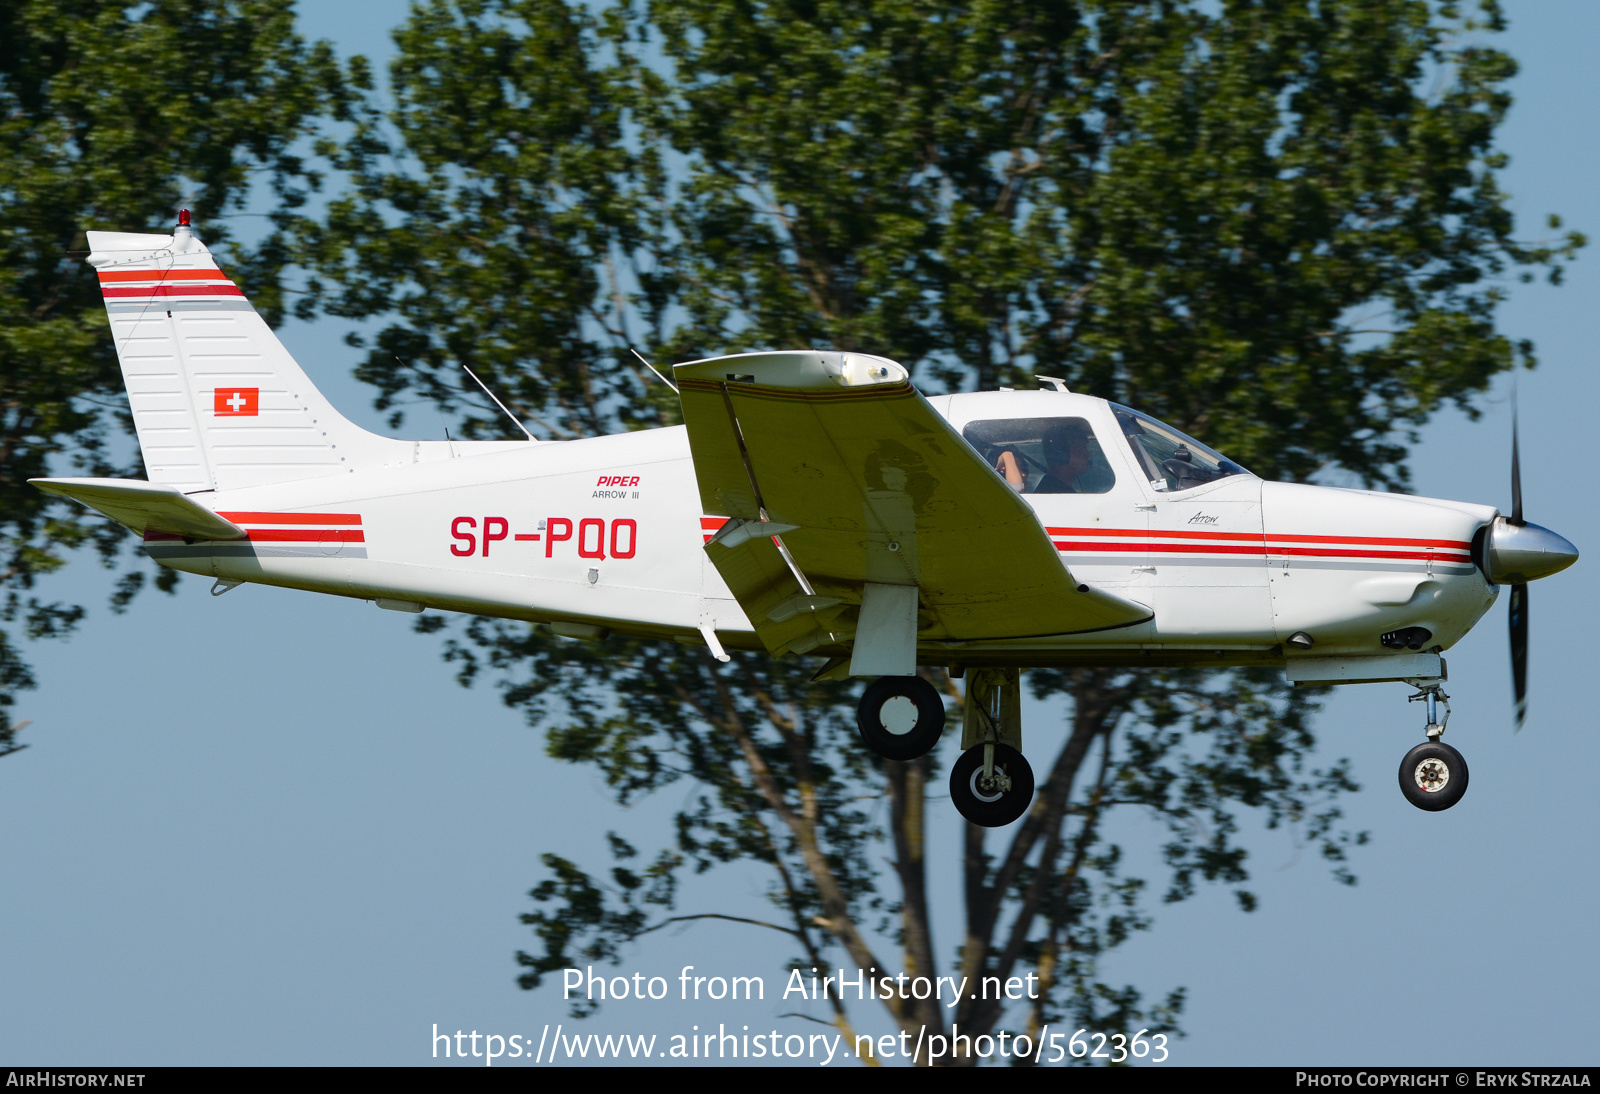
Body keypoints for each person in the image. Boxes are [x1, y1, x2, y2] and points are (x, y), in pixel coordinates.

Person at [994, 421, 1095, 493]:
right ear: (1061, 455)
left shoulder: (1059, 490)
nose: (1088, 454)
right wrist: (1008, 455)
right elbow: (1017, 490)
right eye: (1080, 449)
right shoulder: (1053, 493)